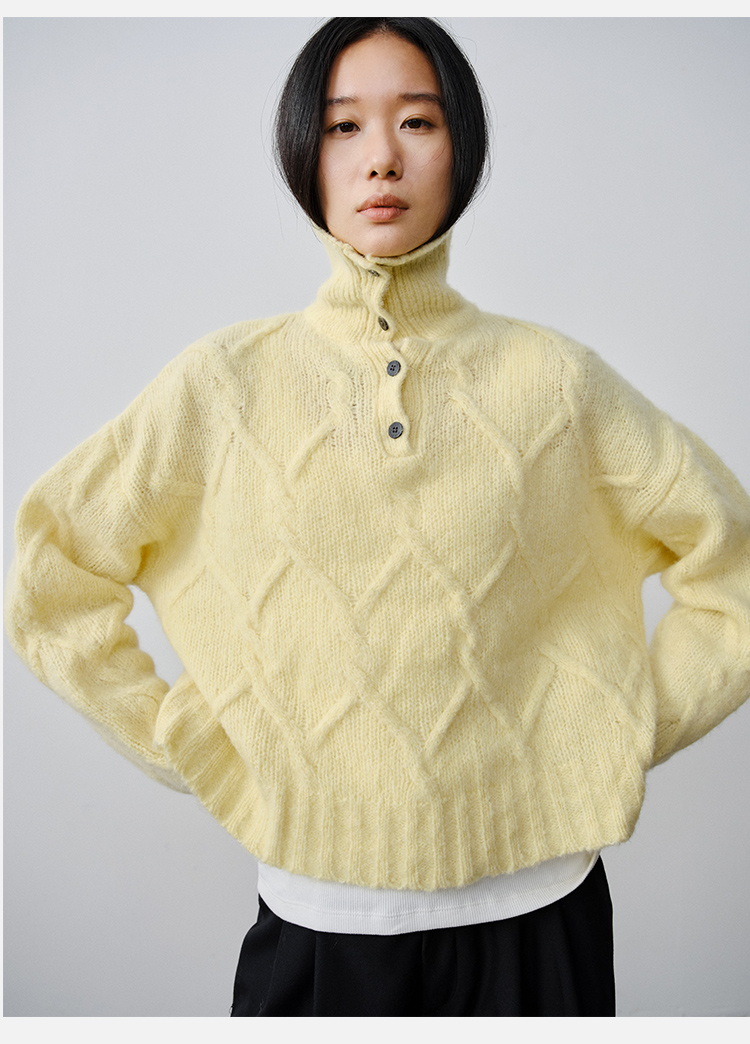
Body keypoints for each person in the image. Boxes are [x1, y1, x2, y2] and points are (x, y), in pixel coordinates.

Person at [6, 17, 750, 1017]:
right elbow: (53, 570)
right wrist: (183, 736)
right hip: (317, 922)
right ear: (303, 153)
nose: (382, 159)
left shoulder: (559, 383)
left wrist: (610, 730)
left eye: (418, 121)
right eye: (344, 126)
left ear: (462, 148)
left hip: (541, 917)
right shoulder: (221, 387)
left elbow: (735, 569)